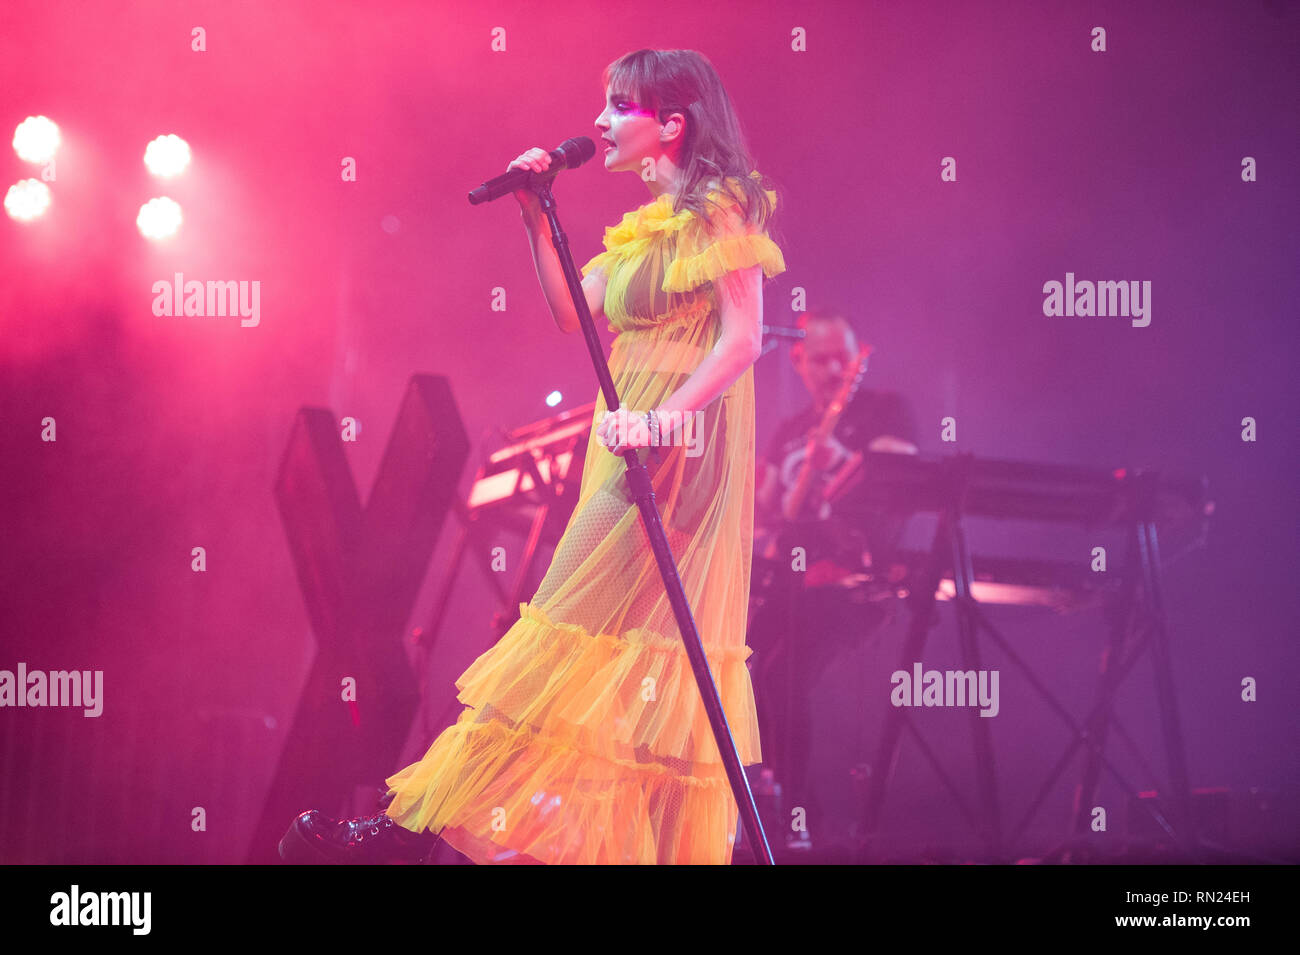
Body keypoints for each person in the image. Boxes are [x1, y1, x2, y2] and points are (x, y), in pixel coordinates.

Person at [279, 48, 786, 864]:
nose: (599, 121)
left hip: (678, 448)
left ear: (672, 122)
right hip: (624, 445)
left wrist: (661, 422)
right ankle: (497, 834)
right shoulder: (638, 233)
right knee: (602, 653)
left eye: (620, 106)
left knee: (556, 623)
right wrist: (532, 210)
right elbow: (566, 311)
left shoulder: (724, 206)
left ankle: (413, 827)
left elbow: (744, 342)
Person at [749, 308, 918, 849]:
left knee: (785, 676)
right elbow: (767, 506)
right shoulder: (790, 430)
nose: (833, 368)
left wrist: (842, 459)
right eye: (820, 359)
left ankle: (800, 818)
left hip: (852, 581)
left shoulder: (884, 412)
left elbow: (903, 483)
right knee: (741, 670)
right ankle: (771, 800)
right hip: (793, 581)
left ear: (857, 357)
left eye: (843, 358)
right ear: (798, 361)